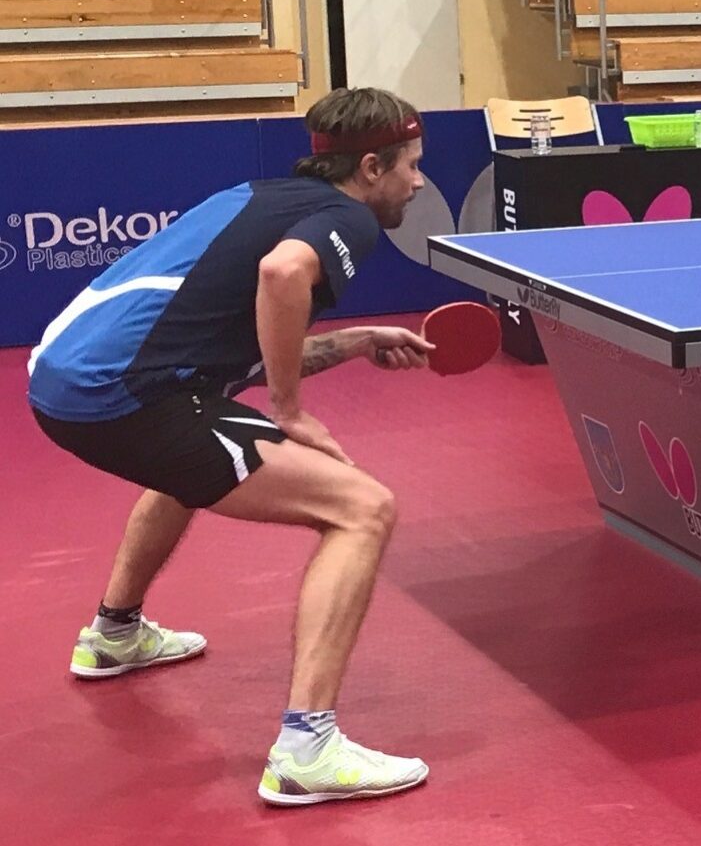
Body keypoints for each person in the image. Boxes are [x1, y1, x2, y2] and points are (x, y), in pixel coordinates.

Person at [27, 87, 438, 805]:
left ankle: (114, 632)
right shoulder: (348, 217)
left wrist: (355, 341)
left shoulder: (258, 195)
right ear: (371, 167)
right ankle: (307, 748)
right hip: (122, 391)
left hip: (61, 380)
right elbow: (282, 275)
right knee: (363, 509)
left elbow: (237, 336)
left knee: (191, 453)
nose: (420, 181)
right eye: (411, 164)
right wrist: (290, 412)